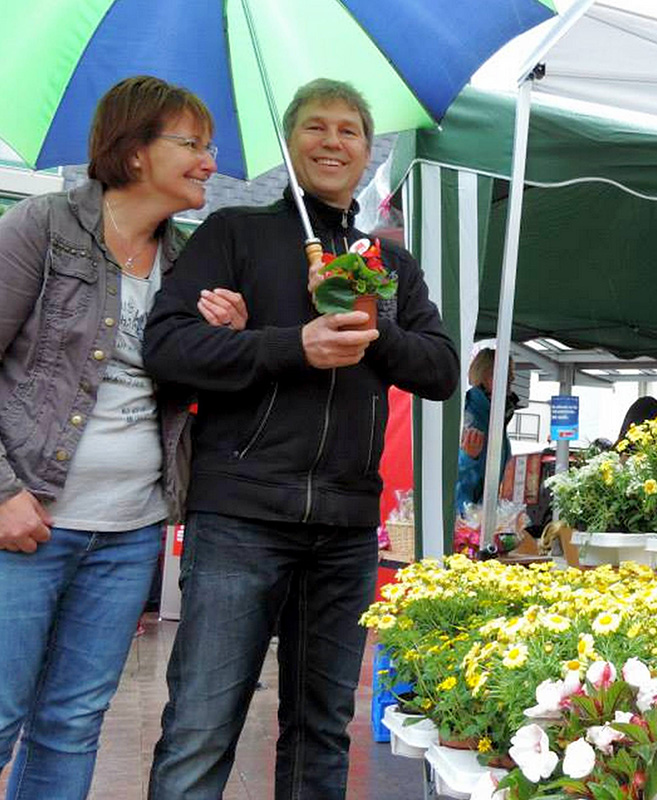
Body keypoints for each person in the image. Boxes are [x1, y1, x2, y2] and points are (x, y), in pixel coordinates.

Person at [142, 79, 457, 798]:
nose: (332, 142)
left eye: (349, 130)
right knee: (201, 723)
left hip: (346, 526)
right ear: (290, 145)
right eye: (315, 127)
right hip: (240, 516)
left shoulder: (390, 266)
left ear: (367, 151)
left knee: (320, 729)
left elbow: (439, 369)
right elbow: (167, 347)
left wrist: (371, 321)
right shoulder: (234, 236)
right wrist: (292, 344)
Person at [0, 76, 243, 800]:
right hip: (28, 521)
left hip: (131, 529)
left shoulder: (190, 258)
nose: (210, 162)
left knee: (73, 722)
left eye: (210, 146)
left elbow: (178, 392)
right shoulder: (43, 227)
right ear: (135, 153)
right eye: (192, 145)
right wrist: (4, 492)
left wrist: (219, 342)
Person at [455, 347, 518, 514]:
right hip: (462, 516)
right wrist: (467, 458)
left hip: (479, 515)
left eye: (510, 377)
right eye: (504, 375)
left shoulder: (495, 417)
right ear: (485, 376)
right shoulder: (469, 415)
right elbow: (447, 471)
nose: (510, 380)